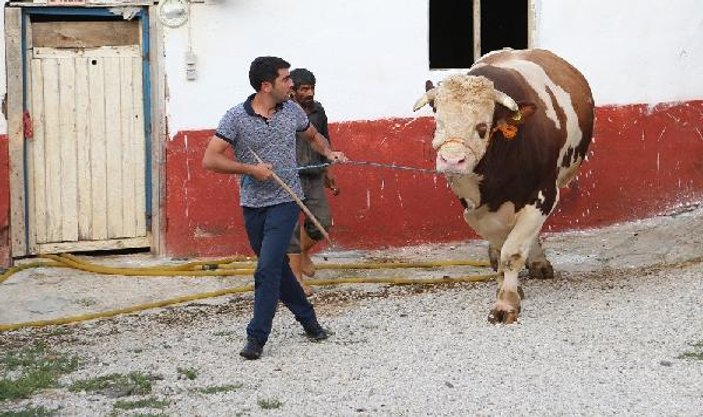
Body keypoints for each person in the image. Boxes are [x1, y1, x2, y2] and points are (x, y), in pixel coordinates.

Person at [202, 56, 347, 360]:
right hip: (253, 205)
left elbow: (313, 136)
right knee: (277, 269)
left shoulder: (292, 110)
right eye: (285, 79)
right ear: (266, 86)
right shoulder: (235, 118)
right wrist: (249, 169)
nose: (291, 84)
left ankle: (256, 337)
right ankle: (310, 323)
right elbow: (210, 159)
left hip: (285, 201)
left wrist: (329, 152)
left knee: (266, 268)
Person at [286, 68, 340, 297]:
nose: (309, 93)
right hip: (290, 177)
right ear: (292, 91)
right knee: (290, 229)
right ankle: (296, 281)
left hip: (314, 174)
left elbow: (324, 139)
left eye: (311, 88)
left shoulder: (318, 110)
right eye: (303, 89)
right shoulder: (284, 112)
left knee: (322, 222)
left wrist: (328, 171)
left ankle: (304, 252)